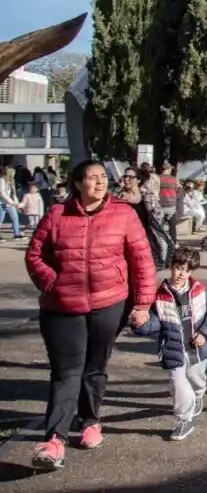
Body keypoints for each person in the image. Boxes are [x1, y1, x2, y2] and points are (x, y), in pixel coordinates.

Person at [24, 160, 156, 471]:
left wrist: (142, 304)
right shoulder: (57, 214)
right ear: (78, 183)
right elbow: (34, 254)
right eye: (92, 178)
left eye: (102, 177)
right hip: (62, 306)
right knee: (66, 371)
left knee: (94, 368)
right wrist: (51, 282)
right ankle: (54, 440)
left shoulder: (124, 214)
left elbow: (142, 260)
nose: (100, 182)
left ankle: (90, 422)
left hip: (109, 303)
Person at [129, 247, 207, 442]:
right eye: (178, 268)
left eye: (186, 270)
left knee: (196, 378)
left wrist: (205, 333)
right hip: (173, 348)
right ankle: (183, 420)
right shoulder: (160, 296)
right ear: (171, 266)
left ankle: (198, 395)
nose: (181, 274)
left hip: (197, 347)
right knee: (177, 382)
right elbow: (155, 323)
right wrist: (139, 324)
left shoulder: (201, 291)